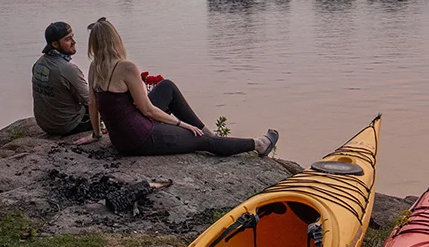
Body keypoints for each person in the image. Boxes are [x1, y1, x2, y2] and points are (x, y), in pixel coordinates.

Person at [84, 17, 278, 157]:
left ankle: (208, 130)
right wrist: (182, 125)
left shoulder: (94, 68)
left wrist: (96, 134)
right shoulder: (126, 68)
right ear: (116, 40)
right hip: (139, 139)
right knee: (203, 141)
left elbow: (93, 104)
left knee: (166, 87)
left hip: (121, 139)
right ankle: (259, 144)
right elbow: (147, 110)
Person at [31, 21, 98, 142]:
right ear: (55, 44)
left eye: (72, 37)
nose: (74, 42)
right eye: (67, 39)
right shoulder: (67, 69)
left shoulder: (39, 63)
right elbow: (90, 101)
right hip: (67, 125)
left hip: (44, 124)